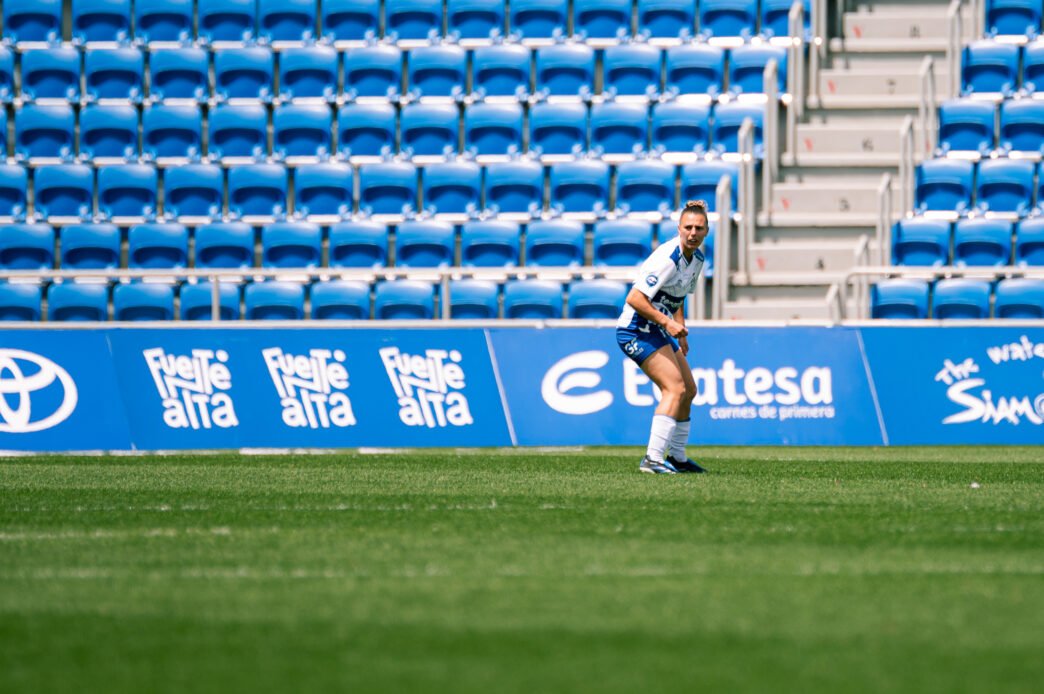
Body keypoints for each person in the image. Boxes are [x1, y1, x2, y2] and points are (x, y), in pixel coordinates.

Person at [615, 200, 710, 475]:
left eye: (699, 228)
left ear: (706, 231)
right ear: (679, 228)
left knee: (689, 390)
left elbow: (677, 296)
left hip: (656, 328)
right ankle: (652, 459)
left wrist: (680, 330)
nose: (693, 233)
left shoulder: (697, 260)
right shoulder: (668, 258)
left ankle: (677, 458)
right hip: (635, 330)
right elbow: (634, 298)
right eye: (688, 227)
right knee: (674, 388)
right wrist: (668, 323)